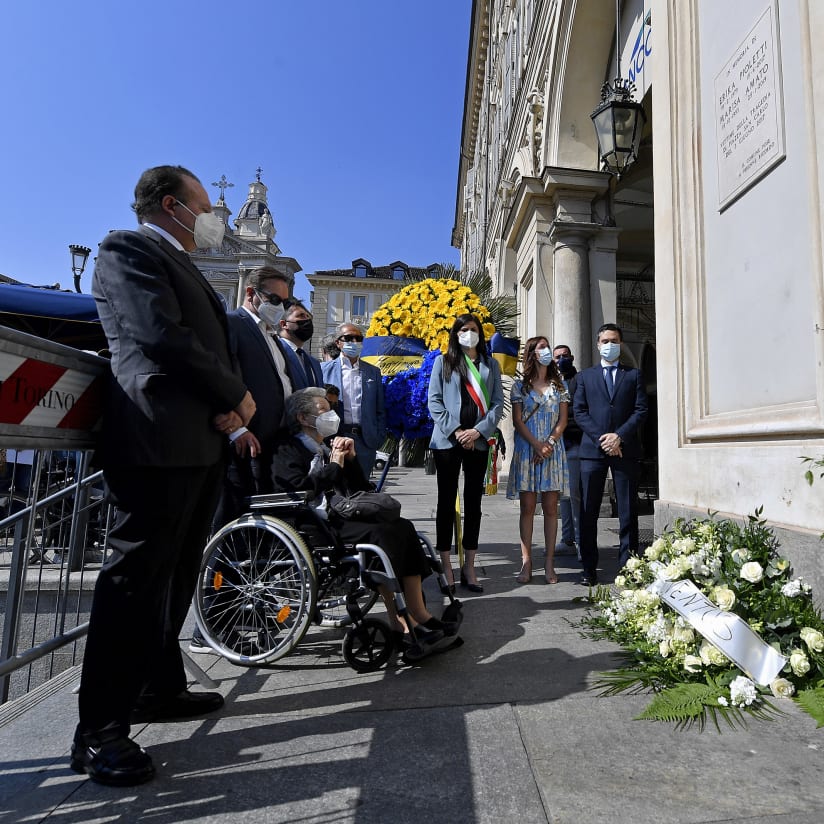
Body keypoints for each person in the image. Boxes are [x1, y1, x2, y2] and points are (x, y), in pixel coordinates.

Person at [73, 165, 256, 787]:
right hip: (155, 437)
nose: (213, 219)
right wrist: (235, 395)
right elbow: (161, 336)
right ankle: (98, 731)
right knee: (134, 582)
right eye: (205, 207)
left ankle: (157, 687)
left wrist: (227, 411)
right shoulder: (127, 249)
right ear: (172, 206)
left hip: (195, 440)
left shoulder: (184, 261)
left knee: (175, 576)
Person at [271, 387, 446, 645]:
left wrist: (350, 460)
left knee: (404, 528)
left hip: (339, 513)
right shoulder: (288, 449)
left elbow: (361, 490)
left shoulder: (326, 446)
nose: (330, 415)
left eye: (330, 409)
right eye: (323, 410)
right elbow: (301, 490)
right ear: (303, 418)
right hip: (313, 523)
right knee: (382, 536)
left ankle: (419, 612)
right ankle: (398, 620)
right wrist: (334, 466)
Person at [190, 266, 296, 654]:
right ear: (251, 294)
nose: (280, 307)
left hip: (266, 450)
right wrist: (234, 428)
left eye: (285, 301)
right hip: (239, 449)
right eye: (274, 299)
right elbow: (218, 373)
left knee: (249, 544)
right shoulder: (234, 323)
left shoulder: (268, 335)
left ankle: (240, 614)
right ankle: (209, 626)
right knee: (228, 540)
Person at [427, 314, 504, 593]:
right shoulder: (443, 362)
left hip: (478, 442)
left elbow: (497, 404)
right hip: (448, 441)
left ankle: (469, 566)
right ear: (455, 334)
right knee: (446, 503)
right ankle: (446, 565)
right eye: (463, 329)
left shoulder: (491, 364)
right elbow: (434, 401)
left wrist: (477, 432)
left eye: (473, 329)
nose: (468, 333)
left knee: (474, 504)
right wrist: (458, 430)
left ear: (480, 333)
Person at [574, 323, 648, 586]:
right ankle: (588, 568)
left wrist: (619, 436)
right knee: (589, 511)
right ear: (598, 345)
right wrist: (603, 438)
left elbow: (640, 410)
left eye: (614, 341)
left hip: (625, 449)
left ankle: (628, 567)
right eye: (605, 341)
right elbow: (579, 411)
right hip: (593, 451)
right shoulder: (585, 377)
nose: (609, 345)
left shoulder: (634, 375)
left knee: (628, 510)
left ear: (621, 343)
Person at [506, 337, 569, 584]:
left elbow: (563, 420)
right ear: (532, 353)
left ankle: (549, 562)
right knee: (528, 508)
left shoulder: (559, 385)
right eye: (542, 347)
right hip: (528, 449)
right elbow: (517, 421)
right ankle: (526, 562)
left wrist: (549, 443)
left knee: (551, 508)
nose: (547, 350)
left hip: (552, 451)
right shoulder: (519, 387)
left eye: (547, 346)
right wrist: (536, 444)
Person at [321, 323, 386, 480]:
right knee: (335, 486)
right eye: (349, 338)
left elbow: (379, 409)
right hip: (335, 439)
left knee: (361, 486)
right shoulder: (324, 369)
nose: (354, 342)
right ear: (338, 342)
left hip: (364, 440)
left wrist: (378, 436)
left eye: (358, 338)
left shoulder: (373, 372)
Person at [553, 344, 582, 558]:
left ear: (571, 357)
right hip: (556, 446)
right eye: (557, 357)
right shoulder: (551, 382)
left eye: (565, 355)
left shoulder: (579, 380)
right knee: (563, 494)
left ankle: (581, 541)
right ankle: (567, 539)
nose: (561, 359)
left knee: (575, 494)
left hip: (574, 443)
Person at [278, 301, 324, 389]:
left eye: (308, 316)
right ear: (284, 324)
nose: (307, 320)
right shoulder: (276, 352)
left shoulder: (314, 363)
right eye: (301, 316)